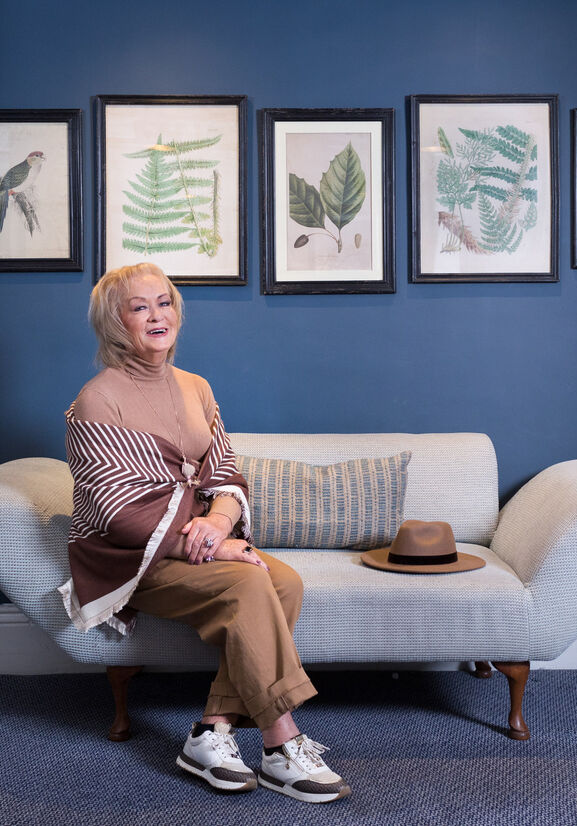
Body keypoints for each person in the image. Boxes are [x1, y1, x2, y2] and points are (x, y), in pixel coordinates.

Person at [56, 262, 350, 804]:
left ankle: (211, 732)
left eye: (163, 302)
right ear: (114, 322)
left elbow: (223, 472)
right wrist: (210, 538)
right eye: (138, 306)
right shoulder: (98, 399)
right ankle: (281, 740)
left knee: (282, 582)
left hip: (192, 541)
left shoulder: (196, 387)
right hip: (132, 559)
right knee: (248, 584)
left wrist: (217, 523)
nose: (156, 315)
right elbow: (115, 510)